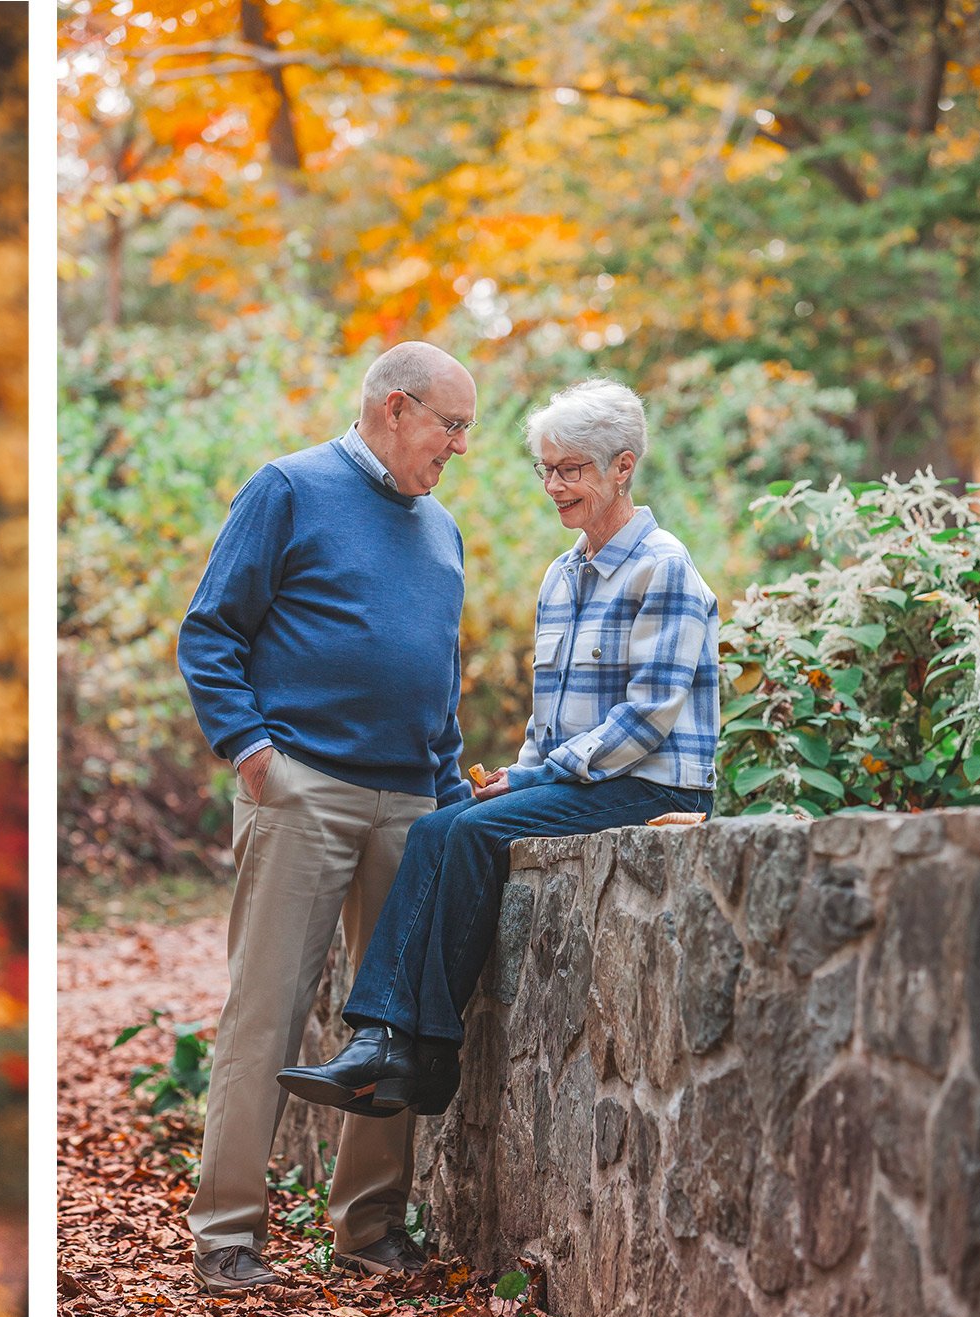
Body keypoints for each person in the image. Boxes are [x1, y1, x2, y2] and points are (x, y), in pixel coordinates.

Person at [279, 378, 719, 1117]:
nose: (554, 486)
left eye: (571, 469)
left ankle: (420, 1050)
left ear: (622, 467)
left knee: (477, 831)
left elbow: (647, 720)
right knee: (437, 827)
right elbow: (551, 720)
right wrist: (522, 771)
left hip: (657, 785)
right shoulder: (559, 577)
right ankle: (389, 1043)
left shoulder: (662, 567)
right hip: (584, 780)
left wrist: (541, 775)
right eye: (546, 469)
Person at [175, 342, 478, 1293]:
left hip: (412, 803)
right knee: (265, 1013)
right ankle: (226, 1234)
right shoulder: (289, 489)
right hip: (303, 787)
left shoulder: (442, 530)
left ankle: (367, 1228)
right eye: (452, 426)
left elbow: (440, 672)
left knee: (391, 1023)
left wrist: (451, 788)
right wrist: (254, 753)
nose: (458, 448)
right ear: (397, 408)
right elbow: (211, 630)